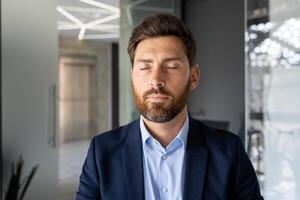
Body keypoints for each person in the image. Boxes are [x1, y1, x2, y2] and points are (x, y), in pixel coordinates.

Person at [76, 14, 263, 200]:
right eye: (144, 67)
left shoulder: (229, 152)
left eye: (172, 66)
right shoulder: (101, 152)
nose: (156, 80)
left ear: (194, 77)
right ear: (132, 75)